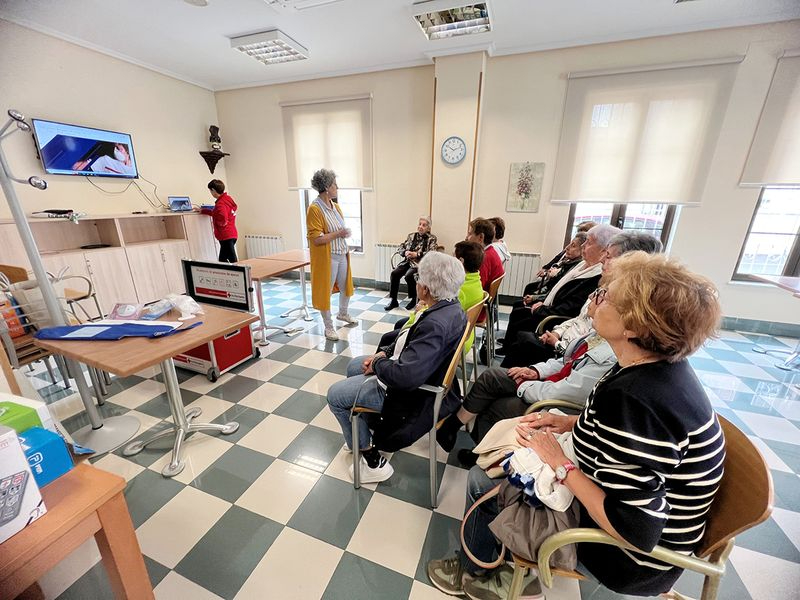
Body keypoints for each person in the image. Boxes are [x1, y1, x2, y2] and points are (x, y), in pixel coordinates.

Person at [427, 252, 725, 600]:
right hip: (625, 513)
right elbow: (619, 440)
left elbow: (637, 530)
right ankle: (501, 560)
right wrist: (568, 421)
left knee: (483, 480)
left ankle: (476, 570)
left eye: (606, 296)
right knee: (512, 448)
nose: (595, 299)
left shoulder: (637, 400)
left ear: (634, 326)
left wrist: (560, 464)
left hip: (629, 559)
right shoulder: (649, 368)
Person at [326, 252, 467, 483]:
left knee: (335, 396)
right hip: (420, 375)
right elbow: (408, 338)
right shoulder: (451, 307)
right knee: (354, 367)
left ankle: (371, 459)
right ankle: (362, 430)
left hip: (410, 396)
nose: (416, 282)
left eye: (419, 279)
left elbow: (404, 376)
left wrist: (378, 363)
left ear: (426, 289)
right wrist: (384, 353)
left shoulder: (435, 323)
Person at [436, 296, 616, 459]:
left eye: (602, 295)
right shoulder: (599, 336)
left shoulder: (609, 356)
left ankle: (484, 457)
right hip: (550, 383)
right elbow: (565, 361)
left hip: (555, 405)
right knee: (491, 376)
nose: (591, 296)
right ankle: (452, 426)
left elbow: (564, 392)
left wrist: (524, 385)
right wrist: (535, 371)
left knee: (497, 407)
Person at [522, 231, 663, 366]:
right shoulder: (604, 286)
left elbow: (588, 348)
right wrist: (557, 332)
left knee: (524, 340)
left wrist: (558, 344)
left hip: (568, 352)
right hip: (567, 346)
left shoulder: (621, 304)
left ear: (628, 262)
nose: (601, 260)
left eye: (608, 256)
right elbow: (580, 320)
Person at [497, 223, 620, 367]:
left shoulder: (597, 278)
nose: (583, 246)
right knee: (521, 316)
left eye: (588, 242)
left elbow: (572, 310)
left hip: (557, 320)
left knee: (522, 329)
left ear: (603, 249)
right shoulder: (582, 266)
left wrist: (544, 312)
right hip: (560, 325)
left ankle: (508, 370)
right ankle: (508, 358)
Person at [306, 168, 356, 341]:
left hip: (341, 254)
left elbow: (338, 231)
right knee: (324, 292)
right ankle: (328, 327)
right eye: (335, 184)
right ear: (327, 187)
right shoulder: (314, 209)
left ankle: (343, 313)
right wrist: (339, 233)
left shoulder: (336, 207)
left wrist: (344, 234)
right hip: (327, 258)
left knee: (346, 287)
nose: (337, 187)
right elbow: (317, 239)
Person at [385, 216, 438, 311]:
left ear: (428, 228)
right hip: (407, 261)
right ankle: (393, 301)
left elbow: (432, 253)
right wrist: (405, 252)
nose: (420, 227)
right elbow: (401, 247)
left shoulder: (432, 239)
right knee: (394, 273)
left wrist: (416, 254)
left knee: (409, 276)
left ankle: (414, 298)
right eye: (420, 224)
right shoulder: (411, 236)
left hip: (420, 264)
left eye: (424, 225)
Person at [529, 220, 596, 292]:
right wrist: (546, 268)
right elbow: (556, 259)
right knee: (533, 283)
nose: (580, 234)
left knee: (531, 287)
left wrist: (554, 274)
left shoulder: (580, 262)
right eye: (579, 231)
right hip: (553, 277)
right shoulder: (569, 251)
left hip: (555, 282)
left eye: (583, 232)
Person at [198, 179, 238, 263]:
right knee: (224, 260)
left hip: (225, 235)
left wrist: (218, 223)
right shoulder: (227, 199)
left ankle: (242, 271)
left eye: (210, 191)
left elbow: (223, 218)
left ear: (213, 190)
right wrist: (203, 211)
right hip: (232, 234)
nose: (211, 193)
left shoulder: (220, 203)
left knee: (231, 260)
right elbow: (216, 213)